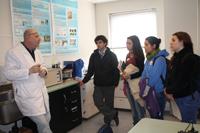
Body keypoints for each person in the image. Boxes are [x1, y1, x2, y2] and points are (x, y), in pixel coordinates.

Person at [3, 29, 52, 133]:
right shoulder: (13, 52)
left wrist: (44, 71)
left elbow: (43, 66)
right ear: (28, 37)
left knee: (47, 120)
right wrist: (28, 71)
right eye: (37, 36)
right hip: (28, 96)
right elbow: (8, 74)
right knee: (43, 124)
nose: (40, 39)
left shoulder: (37, 52)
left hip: (41, 94)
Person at [79, 35, 120, 131]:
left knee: (109, 103)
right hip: (98, 84)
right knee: (97, 101)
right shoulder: (94, 56)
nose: (98, 44)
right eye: (97, 43)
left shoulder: (112, 55)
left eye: (100, 42)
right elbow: (90, 71)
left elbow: (116, 71)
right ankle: (113, 113)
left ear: (105, 43)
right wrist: (84, 81)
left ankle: (108, 122)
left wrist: (116, 82)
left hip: (109, 84)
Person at [165, 31, 200, 123]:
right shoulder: (176, 57)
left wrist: (169, 91)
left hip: (188, 97)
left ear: (182, 42)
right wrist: (168, 89)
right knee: (185, 122)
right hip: (180, 95)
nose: (170, 42)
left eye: (173, 40)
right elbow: (172, 77)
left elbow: (182, 81)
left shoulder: (190, 58)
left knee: (189, 123)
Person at [141, 36, 169, 119]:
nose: (144, 47)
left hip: (158, 92)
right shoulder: (148, 59)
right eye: (144, 44)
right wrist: (141, 84)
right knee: (152, 115)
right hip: (149, 91)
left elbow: (153, 79)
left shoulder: (160, 59)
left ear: (154, 46)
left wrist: (145, 91)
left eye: (146, 44)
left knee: (158, 116)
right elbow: (144, 74)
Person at [121, 35, 145, 125]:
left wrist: (130, 77)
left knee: (138, 106)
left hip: (136, 85)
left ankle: (142, 125)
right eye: (126, 43)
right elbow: (127, 69)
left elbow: (141, 71)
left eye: (129, 43)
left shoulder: (139, 55)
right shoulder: (127, 55)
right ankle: (135, 124)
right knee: (133, 107)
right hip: (128, 85)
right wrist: (123, 71)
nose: (127, 45)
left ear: (135, 44)